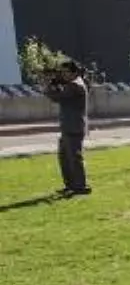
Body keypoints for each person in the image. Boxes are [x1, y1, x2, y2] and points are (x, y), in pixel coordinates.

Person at [44, 60, 90, 196]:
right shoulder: (73, 84)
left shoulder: (75, 85)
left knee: (74, 158)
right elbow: (62, 95)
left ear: (73, 72)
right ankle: (71, 185)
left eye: (65, 72)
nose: (63, 75)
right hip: (69, 126)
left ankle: (80, 186)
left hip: (73, 127)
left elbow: (57, 97)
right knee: (65, 158)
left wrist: (47, 86)